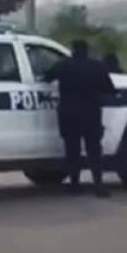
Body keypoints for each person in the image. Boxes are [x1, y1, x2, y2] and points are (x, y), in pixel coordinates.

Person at [46, 40, 117, 198]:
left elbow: (47, 76)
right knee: (94, 151)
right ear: (87, 50)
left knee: (72, 150)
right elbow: (109, 89)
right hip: (90, 113)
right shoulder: (97, 67)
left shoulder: (63, 65)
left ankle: (74, 184)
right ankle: (98, 186)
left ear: (72, 50)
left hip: (68, 113)